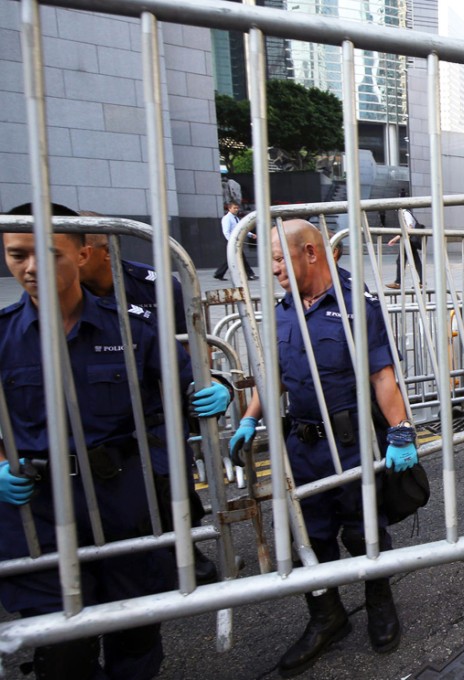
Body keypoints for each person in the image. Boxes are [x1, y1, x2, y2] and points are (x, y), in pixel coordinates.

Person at [0, 204, 232, 679]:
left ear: (82, 255)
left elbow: (183, 388)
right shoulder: (3, 337)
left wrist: (216, 391)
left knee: (135, 633)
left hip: (125, 501)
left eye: (46, 253)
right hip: (40, 513)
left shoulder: (129, 329)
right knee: (62, 649)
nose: (30, 268)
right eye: (16, 255)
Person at [229, 219, 415, 676]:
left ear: (310, 253)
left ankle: (379, 603)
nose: (271, 269)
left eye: (277, 258)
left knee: (363, 531)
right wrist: (250, 417)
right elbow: (270, 373)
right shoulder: (283, 310)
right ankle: (326, 617)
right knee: (307, 537)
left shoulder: (357, 304)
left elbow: (382, 376)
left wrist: (402, 430)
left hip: (351, 443)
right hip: (301, 445)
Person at [78, 227, 220, 585]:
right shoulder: (64, 296)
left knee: (176, 496)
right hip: (102, 424)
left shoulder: (156, 286)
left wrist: (207, 384)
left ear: (101, 251)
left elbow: (193, 344)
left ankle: (189, 561)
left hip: (158, 418)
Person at [213, 201, 256, 281]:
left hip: (236, 241)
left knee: (232, 258)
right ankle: (249, 274)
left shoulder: (236, 218)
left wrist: (251, 235)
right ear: (229, 208)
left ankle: (219, 273)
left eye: (237, 208)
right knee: (241, 257)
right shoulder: (226, 218)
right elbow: (226, 232)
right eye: (234, 208)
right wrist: (231, 241)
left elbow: (242, 228)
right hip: (231, 241)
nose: (236, 209)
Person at [386, 203, 424, 290]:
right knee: (415, 261)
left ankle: (398, 282)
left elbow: (409, 228)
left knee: (400, 261)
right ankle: (421, 282)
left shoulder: (405, 213)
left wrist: (396, 238)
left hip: (409, 240)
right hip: (409, 239)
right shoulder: (404, 213)